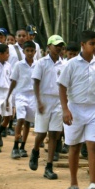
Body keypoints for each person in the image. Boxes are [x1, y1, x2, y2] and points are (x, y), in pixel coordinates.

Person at [58, 30, 95, 189]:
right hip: (75, 109)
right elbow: (62, 86)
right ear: (83, 44)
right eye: (91, 43)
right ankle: (73, 183)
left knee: (93, 145)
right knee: (74, 146)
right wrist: (65, 109)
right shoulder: (71, 64)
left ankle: (93, 184)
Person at [29, 35, 66, 180]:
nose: (58, 47)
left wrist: (65, 104)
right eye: (56, 45)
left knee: (54, 134)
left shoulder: (64, 64)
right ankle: (35, 150)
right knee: (41, 134)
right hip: (44, 99)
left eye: (60, 45)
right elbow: (36, 83)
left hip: (58, 101)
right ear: (49, 46)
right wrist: (38, 101)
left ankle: (49, 166)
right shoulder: (41, 63)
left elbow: (65, 85)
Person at [5, 40, 37, 159]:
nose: (29, 53)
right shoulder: (19, 65)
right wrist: (8, 96)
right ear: (23, 52)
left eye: (31, 51)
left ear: (35, 52)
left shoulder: (37, 65)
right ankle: (15, 146)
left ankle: (23, 146)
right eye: (27, 51)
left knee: (28, 121)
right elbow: (13, 81)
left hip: (32, 96)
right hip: (21, 95)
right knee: (21, 118)